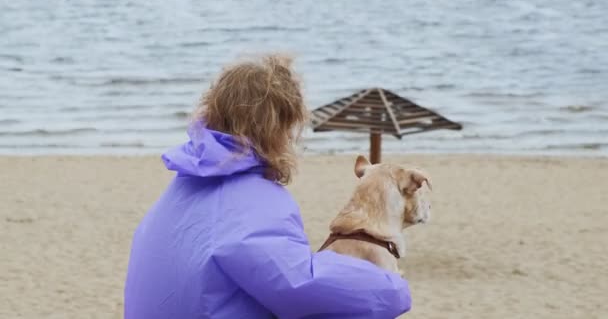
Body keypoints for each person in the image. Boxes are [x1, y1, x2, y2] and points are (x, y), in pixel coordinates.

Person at [124, 54, 412, 318]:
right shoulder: (254, 201)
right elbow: (301, 287)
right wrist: (391, 286)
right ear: (278, 127)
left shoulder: (181, 188)